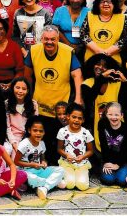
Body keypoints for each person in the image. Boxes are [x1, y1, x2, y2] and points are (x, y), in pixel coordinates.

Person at [25, 26, 83, 164]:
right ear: (41, 39)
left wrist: (78, 98)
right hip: (40, 103)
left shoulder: (68, 52)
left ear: (58, 39)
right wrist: (28, 97)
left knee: (59, 139)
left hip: (61, 105)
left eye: (53, 39)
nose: (49, 42)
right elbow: (27, 75)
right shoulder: (33, 50)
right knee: (41, 138)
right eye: (46, 39)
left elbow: (77, 74)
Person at [14, 116, 65, 199]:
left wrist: (44, 163)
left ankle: (44, 187)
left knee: (61, 170)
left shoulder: (42, 143)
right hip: (26, 172)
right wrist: (31, 165)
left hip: (39, 170)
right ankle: (53, 182)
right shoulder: (24, 144)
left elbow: (43, 159)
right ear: (29, 130)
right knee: (32, 178)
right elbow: (16, 162)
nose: (38, 133)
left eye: (41, 131)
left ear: (44, 132)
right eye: (35, 130)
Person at [56, 103, 94, 190]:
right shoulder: (62, 131)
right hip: (67, 163)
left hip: (81, 163)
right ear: (68, 116)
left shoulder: (86, 133)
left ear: (83, 120)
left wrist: (83, 156)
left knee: (82, 186)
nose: (76, 120)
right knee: (69, 185)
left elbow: (91, 151)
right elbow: (59, 149)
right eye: (74, 117)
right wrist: (66, 155)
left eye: (80, 118)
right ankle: (65, 174)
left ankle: (83, 174)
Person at [96, 102, 127, 186]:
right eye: (110, 114)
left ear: (121, 115)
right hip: (108, 159)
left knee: (122, 181)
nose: (113, 117)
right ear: (106, 115)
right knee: (108, 180)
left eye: (116, 115)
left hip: (122, 160)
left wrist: (118, 165)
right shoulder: (102, 124)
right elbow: (103, 145)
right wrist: (106, 162)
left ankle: (122, 171)